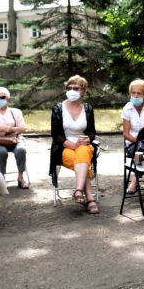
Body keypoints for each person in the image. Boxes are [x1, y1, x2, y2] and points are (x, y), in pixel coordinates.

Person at [49, 75, 98, 214]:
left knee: (84, 151)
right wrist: (72, 145)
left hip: (84, 146)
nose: (71, 91)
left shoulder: (88, 108)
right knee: (85, 162)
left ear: (83, 91)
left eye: (75, 88)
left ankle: (79, 190)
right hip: (64, 147)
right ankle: (89, 198)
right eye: (69, 88)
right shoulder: (58, 108)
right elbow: (55, 135)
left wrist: (87, 139)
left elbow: (92, 132)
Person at [0, 87, 28, 188]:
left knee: (21, 150)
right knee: (1, 152)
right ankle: (1, 179)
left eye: (2, 97)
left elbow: (23, 128)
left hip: (14, 140)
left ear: (8, 98)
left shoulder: (16, 112)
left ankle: (20, 177)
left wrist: (10, 129)